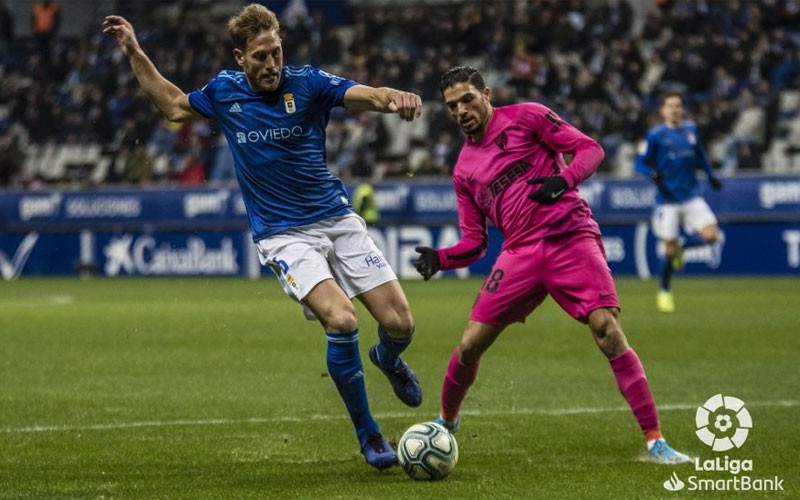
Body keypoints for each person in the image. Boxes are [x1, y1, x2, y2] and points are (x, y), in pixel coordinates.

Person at [103, 4, 424, 471]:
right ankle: (369, 433)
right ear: (240, 57)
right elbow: (173, 106)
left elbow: (366, 95)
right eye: (260, 56)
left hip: (335, 218)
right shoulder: (224, 93)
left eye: (276, 53)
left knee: (401, 325)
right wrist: (134, 52)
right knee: (342, 320)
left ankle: (387, 359)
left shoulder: (308, 82)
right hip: (282, 234)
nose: (271, 64)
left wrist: (394, 96)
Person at [414, 66, 690, 464]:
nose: (461, 111)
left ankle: (655, 440)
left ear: (486, 94)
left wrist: (563, 181)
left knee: (607, 330)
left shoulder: (527, 116)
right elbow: (475, 243)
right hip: (520, 253)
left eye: (467, 100)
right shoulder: (464, 170)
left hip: (570, 238)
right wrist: (441, 258)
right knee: (471, 344)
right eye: (452, 106)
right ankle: (446, 422)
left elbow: (591, 149)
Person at [635, 91, 722, 313]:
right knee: (669, 250)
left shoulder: (690, 130)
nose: (675, 109)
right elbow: (640, 164)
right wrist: (652, 174)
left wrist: (711, 175)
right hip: (668, 201)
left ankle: (684, 246)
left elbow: (701, 155)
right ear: (663, 110)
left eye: (678, 105)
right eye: (670, 106)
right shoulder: (655, 135)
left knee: (712, 236)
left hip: (691, 196)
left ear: (682, 109)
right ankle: (664, 290)